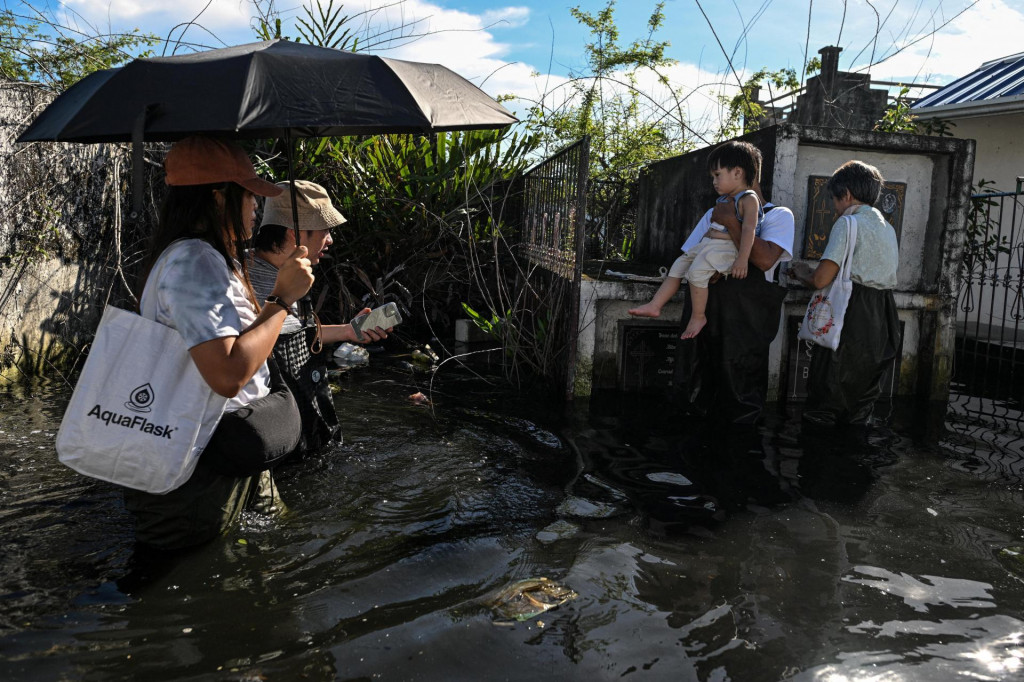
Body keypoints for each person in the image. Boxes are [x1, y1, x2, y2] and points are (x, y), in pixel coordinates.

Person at [122, 136, 314, 550]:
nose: (256, 210)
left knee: (269, 556)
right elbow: (227, 374)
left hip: (224, 451)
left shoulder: (206, 257)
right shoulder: (194, 262)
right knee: (199, 582)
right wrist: (282, 299)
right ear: (217, 198)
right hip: (199, 464)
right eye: (248, 198)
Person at [629, 148, 795, 425]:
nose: (715, 182)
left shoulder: (777, 215)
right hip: (707, 316)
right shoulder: (714, 210)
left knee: (739, 397)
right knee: (694, 387)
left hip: (745, 323)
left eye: (719, 174)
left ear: (741, 173)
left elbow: (765, 260)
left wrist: (731, 221)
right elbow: (693, 256)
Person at [249, 180, 389, 454]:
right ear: (295, 234)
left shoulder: (296, 273)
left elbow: (295, 332)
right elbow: (250, 346)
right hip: (272, 437)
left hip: (305, 425)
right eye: (324, 230)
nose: (330, 239)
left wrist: (348, 331)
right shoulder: (241, 278)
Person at [788, 160, 901, 427]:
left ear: (847, 194)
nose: (835, 207)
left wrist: (802, 271)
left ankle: (819, 464)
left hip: (851, 314)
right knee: (861, 403)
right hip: (883, 316)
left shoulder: (848, 223)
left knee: (827, 397)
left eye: (835, 200)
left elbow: (821, 280)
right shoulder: (888, 228)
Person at [629, 141, 766, 340]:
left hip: (727, 249)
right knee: (678, 265)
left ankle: (698, 316)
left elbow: (749, 230)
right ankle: (655, 305)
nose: (714, 182)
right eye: (713, 177)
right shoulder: (725, 199)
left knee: (696, 273)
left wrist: (742, 259)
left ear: (737, 173)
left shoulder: (748, 199)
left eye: (717, 175)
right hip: (709, 245)